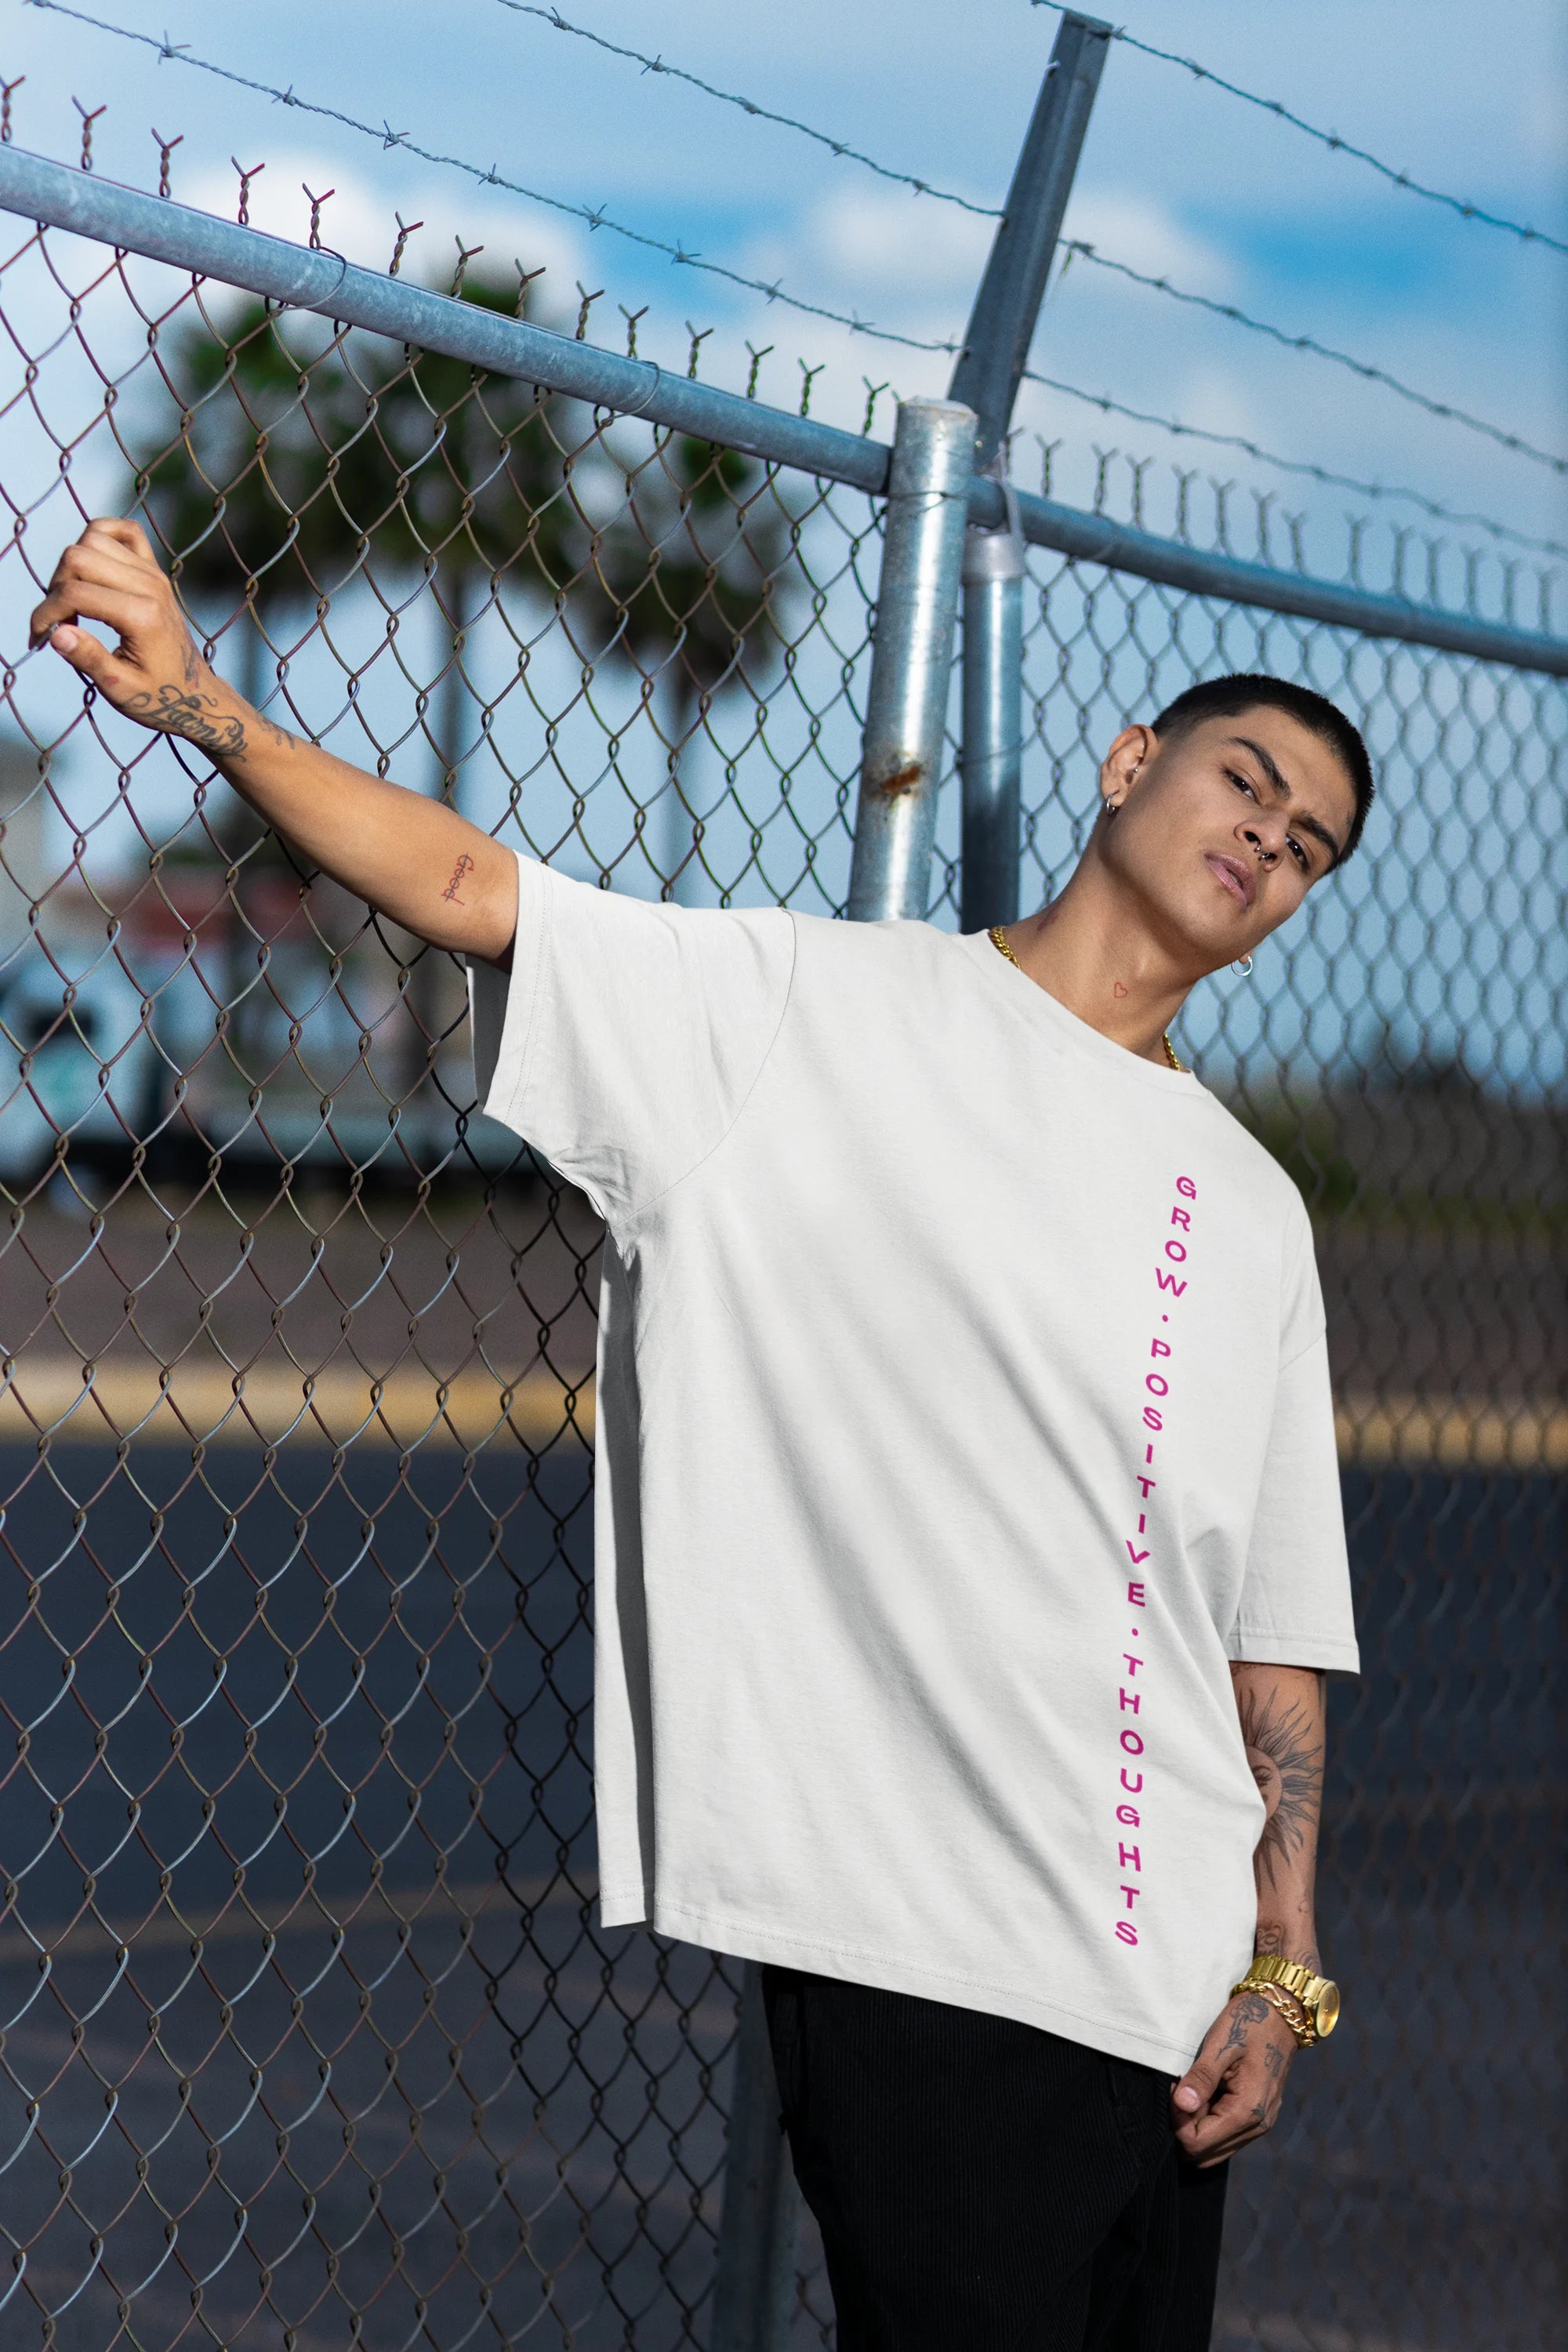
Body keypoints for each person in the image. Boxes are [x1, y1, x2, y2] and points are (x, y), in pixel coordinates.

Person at [32, 517, 1365, 2352]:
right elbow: (479, 886)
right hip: (933, 1947)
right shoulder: (812, 1012)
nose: (1266, 842)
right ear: (1132, 763)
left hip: (1179, 1999)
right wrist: (206, 709)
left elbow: (1265, 1623)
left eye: (1306, 848)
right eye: (1248, 782)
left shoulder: (1254, 1202)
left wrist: (1280, 1964)